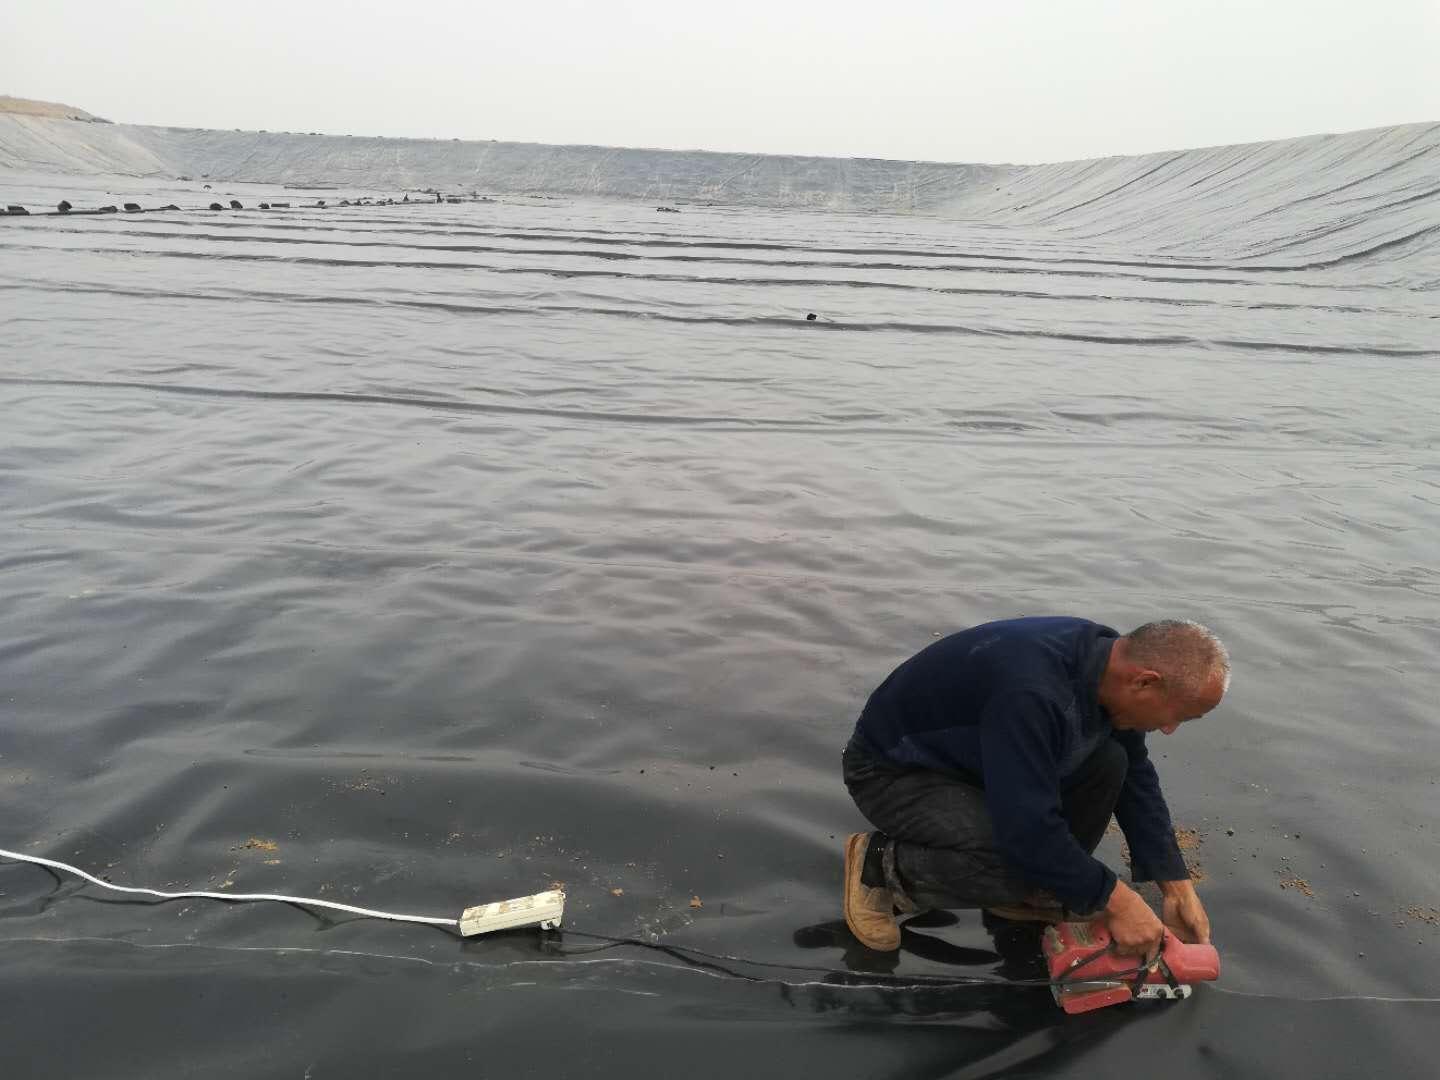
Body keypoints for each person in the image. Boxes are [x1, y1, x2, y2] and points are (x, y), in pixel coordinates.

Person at [841, 616, 1226, 958]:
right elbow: (1027, 832)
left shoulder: (1108, 664)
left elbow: (1137, 778)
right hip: (895, 771)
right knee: (1019, 857)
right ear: (1145, 681)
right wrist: (1117, 901)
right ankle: (882, 867)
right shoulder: (1032, 691)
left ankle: (1036, 888)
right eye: (1178, 715)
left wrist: (1175, 885)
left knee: (1113, 762)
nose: (1170, 729)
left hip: (978, 760)